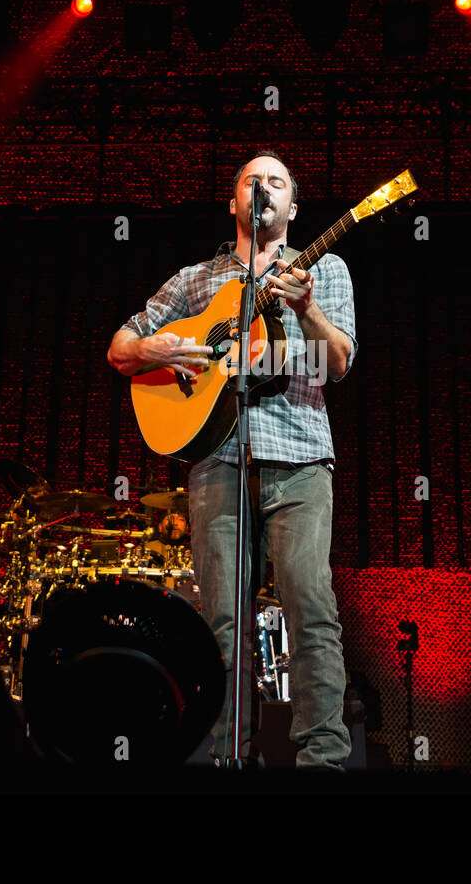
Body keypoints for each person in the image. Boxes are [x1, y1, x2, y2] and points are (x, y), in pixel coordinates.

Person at [107, 150, 357, 770]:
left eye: (276, 182)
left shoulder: (326, 270)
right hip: (219, 460)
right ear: (233, 200)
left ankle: (322, 761)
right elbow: (119, 348)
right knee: (221, 624)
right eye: (252, 180)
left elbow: (337, 364)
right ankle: (224, 759)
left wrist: (307, 311)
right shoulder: (196, 279)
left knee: (311, 610)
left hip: (299, 456)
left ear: (293, 207)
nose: (263, 189)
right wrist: (149, 347)